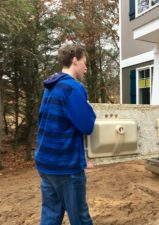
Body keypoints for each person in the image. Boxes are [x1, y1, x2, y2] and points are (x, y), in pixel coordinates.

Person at [34, 44, 96, 225]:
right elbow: (87, 126)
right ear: (74, 60)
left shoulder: (50, 86)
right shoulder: (73, 88)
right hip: (65, 166)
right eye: (84, 63)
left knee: (51, 216)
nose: (86, 67)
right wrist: (89, 108)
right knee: (80, 218)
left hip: (45, 163)